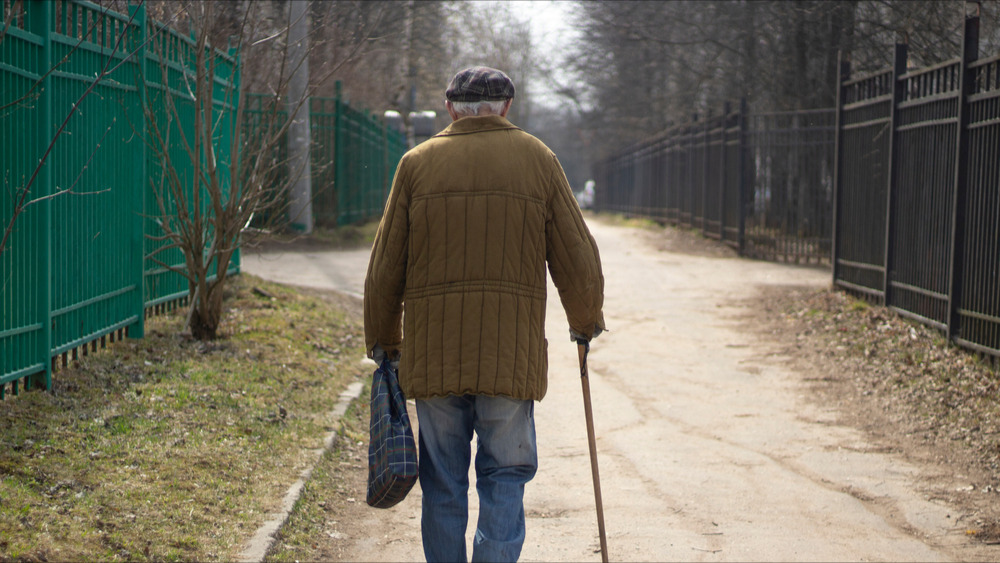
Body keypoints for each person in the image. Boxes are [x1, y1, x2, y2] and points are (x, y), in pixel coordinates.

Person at [364, 66, 606, 563]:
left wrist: (385, 342)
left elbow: (384, 269)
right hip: (508, 360)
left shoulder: (416, 164)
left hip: (434, 362)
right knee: (505, 476)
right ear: (507, 108)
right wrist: (585, 323)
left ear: (451, 108)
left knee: (443, 483)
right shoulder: (539, 160)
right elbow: (578, 258)